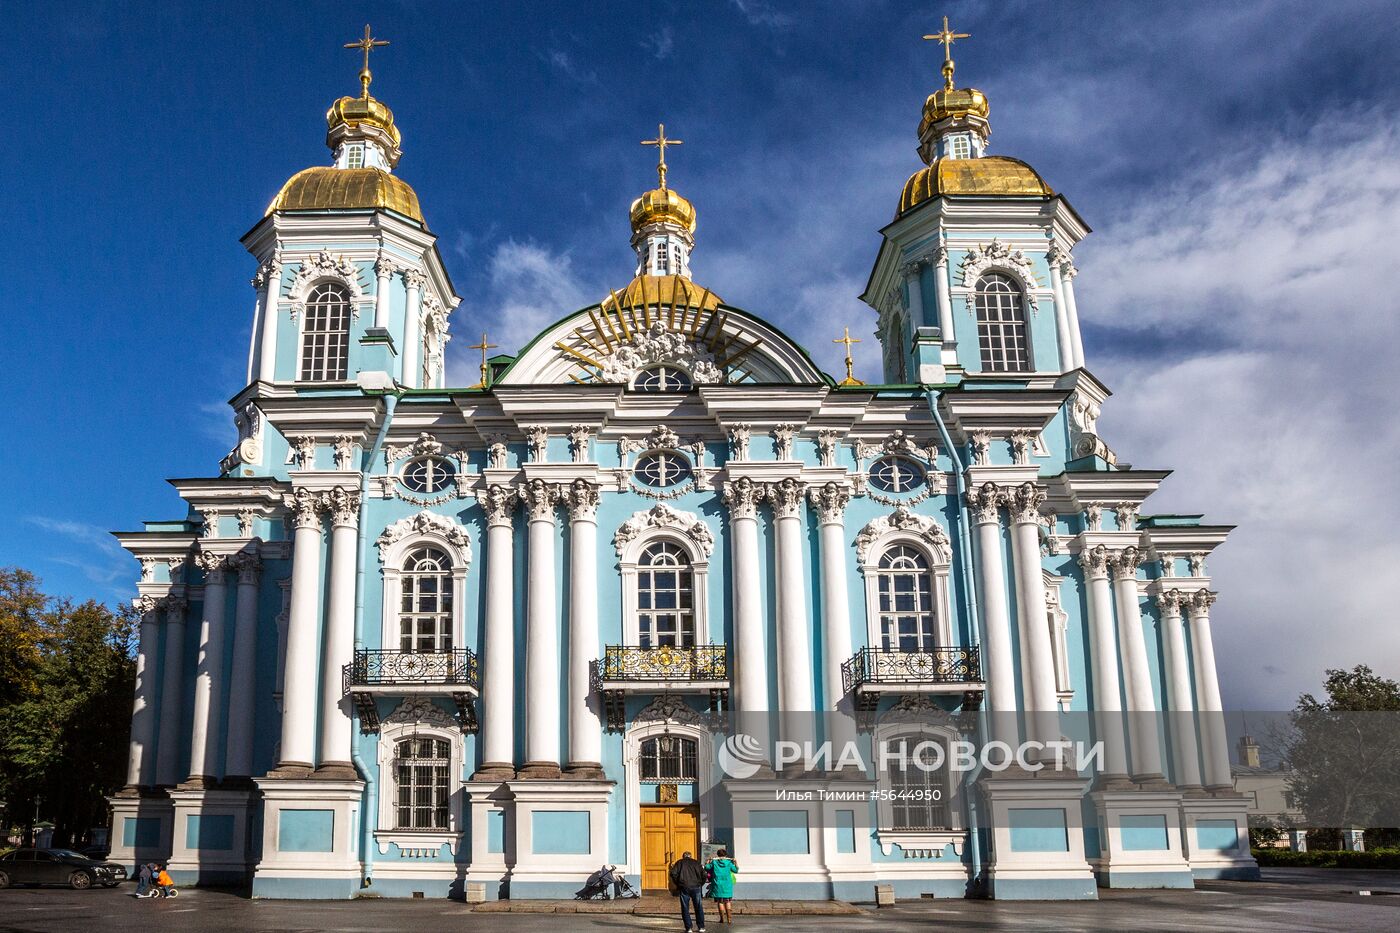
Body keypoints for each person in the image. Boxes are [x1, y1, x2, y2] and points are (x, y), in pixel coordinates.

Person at [669, 850, 707, 933]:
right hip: (696, 887)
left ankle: (689, 928)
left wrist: (678, 884)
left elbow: (673, 874)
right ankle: (701, 927)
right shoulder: (696, 863)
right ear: (690, 856)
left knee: (685, 908)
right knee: (698, 907)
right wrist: (701, 884)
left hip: (684, 887)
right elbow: (704, 875)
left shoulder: (679, 863)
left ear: (683, 856)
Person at [705, 849, 739, 924]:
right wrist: (735, 862)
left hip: (717, 885)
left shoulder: (714, 862)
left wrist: (707, 861)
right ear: (725, 855)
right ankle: (729, 919)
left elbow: (706, 868)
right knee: (728, 902)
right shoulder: (729, 863)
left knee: (720, 902)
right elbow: (736, 870)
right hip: (727, 885)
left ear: (718, 855)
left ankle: (722, 919)